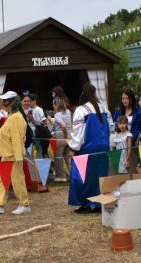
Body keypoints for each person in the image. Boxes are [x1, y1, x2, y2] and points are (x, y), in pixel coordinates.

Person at [68, 83, 112, 213]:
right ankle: (99, 204)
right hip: (103, 147)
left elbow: (78, 132)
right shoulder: (104, 108)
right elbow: (111, 128)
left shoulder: (81, 110)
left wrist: (74, 147)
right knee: (100, 175)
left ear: (83, 93)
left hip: (87, 147)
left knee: (83, 176)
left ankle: (85, 204)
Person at [0, 91, 31, 215]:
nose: (4, 103)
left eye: (6, 101)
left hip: (13, 155)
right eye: (3, 101)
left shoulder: (16, 117)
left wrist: (18, 157)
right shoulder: (10, 116)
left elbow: (16, 138)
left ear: (13, 102)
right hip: (7, 154)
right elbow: (1, 133)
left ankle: (24, 204)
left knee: (17, 180)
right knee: (2, 180)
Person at [48, 96, 71, 182]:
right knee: (67, 157)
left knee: (58, 157)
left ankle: (61, 176)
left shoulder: (57, 114)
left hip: (61, 136)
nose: (53, 106)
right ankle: (71, 174)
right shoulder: (68, 112)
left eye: (54, 104)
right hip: (69, 135)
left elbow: (63, 125)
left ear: (57, 105)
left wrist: (64, 135)